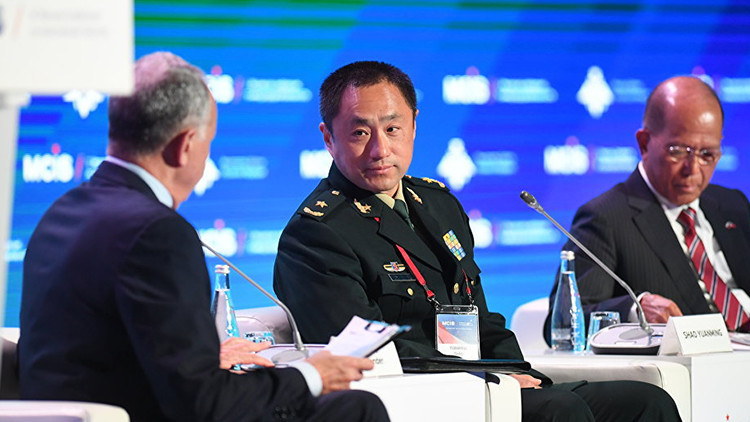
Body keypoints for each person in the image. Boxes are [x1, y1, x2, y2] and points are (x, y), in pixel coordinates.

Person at [273, 60, 681, 421]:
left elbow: (477, 315)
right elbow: (370, 356)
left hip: (484, 384)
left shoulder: (438, 204)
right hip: (422, 399)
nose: (380, 149)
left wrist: (517, 371)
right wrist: (489, 379)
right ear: (329, 138)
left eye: (393, 129)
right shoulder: (317, 233)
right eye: (360, 132)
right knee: (560, 410)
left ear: (414, 125)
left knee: (644, 401)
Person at [19, 52, 389, 422]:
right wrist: (311, 375)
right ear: (185, 145)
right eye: (208, 142)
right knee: (354, 408)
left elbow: (95, 347)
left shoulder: (63, 212)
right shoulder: (157, 233)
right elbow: (205, 405)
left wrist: (202, 358)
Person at [544, 76, 750, 343]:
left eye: (707, 155)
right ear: (644, 143)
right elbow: (565, 323)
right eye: (678, 151)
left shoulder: (733, 205)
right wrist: (635, 310)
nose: (693, 169)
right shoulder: (606, 218)